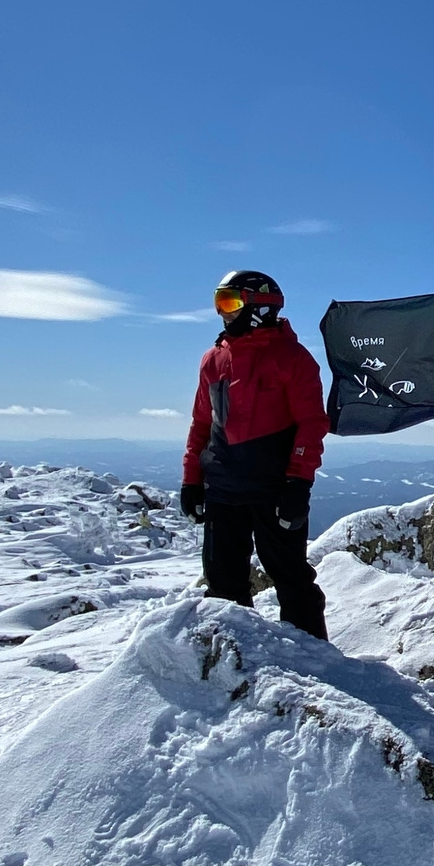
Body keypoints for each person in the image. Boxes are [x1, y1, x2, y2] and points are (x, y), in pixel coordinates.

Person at [179, 270, 330, 638]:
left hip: (274, 487)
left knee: (290, 577)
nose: (222, 313)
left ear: (260, 307)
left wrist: (298, 483)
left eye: (229, 302)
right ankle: (239, 662)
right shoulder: (213, 359)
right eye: (219, 303)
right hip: (223, 488)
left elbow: (312, 424)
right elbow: (202, 422)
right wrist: (191, 480)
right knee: (222, 581)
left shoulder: (293, 359)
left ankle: (317, 664)